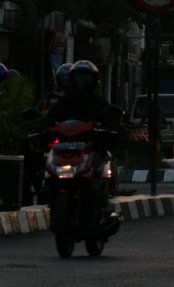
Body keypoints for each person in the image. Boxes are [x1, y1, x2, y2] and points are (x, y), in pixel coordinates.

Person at [44, 60, 122, 223]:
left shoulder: (100, 104)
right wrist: (43, 129)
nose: (82, 83)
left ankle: (103, 204)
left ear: (94, 81)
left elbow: (111, 121)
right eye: (78, 78)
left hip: (90, 148)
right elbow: (50, 120)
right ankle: (50, 199)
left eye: (86, 79)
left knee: (97, 169)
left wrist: (108, 130)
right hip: (66, 149)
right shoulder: (64, 102)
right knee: (49, 171)